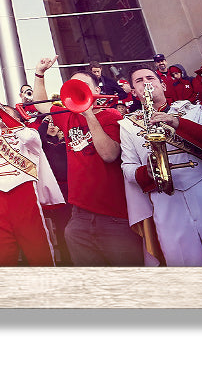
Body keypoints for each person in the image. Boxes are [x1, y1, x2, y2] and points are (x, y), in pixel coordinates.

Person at [120, 65, 202, 267]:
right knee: (182, 265)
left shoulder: (191, 111)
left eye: (150, 78)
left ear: (162, 85)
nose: (146, 82)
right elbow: (127, 167)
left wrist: (178, 123)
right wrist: (145, 172)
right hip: (164, 197)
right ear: (135, 93)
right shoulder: (128, 124)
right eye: (139, 81)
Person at [0, 73, 63, 266]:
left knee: (39, 253)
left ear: (15, 118)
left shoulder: (28, 133)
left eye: (5, 115)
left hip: (25, 200)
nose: (0, 118)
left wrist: (1, 110)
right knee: (1, 257)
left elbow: (28, 138)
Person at [40, 71, 143, 266]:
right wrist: (39, 74)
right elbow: (40, 103)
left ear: (97, 90)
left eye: (83, 85)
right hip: (79, 217)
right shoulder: (67, 117)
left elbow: (109, 154)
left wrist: (87, 113)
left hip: (114, 217)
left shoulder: (111, 115)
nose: (78, 89)